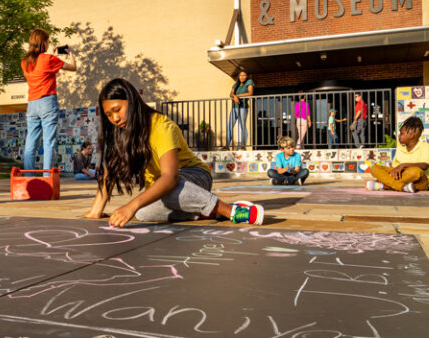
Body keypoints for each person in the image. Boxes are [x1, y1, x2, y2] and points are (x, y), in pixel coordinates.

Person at [84, 78, 263, 227]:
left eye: (117, 110)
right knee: (143, 213)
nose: (115, 118)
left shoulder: (161, 126)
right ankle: (206, 213)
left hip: (193, 178)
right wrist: (96, 210)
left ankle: (232, 210)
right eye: (109, 114)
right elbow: (110, 171)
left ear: (133, 101)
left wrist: (131, 205)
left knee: (152, 198)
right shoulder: (122, 133)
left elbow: (170, 178)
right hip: (167, 187)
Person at [21, 28, 76, 173]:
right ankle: (47, 177)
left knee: (31, 142)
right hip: (47, 102)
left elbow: (40, 66)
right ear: (44, 43)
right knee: (48, 141)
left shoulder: (24, 62)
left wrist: (50, 54)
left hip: (32, 104)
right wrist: (70, 54)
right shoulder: (49, 59)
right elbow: (73, 67)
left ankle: (28, 177)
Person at [366, 116, 429, 193]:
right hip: (403, 177)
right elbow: (394, 168)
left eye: (401, 133)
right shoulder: (401, 148)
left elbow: (425, 165)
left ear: (411, 135)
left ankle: (384, 185)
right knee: (374, 168)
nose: (399, 136)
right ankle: (402, 187)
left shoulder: (424, 146)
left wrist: (402, 165)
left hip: (420, 181)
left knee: (416, 171)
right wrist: (389, 173)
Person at [225, 71, 254, 149]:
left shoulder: (249, 82)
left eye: (244, 75)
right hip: (234, 107)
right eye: (240, 75)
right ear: (238, 76)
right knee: (229, 126)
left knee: (242, 126)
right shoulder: (236, 84)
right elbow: (231, 94)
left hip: (243, 107)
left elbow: (250, 93)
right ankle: (227, 145)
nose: (242, 77)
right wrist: (234, 96)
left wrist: (237, 96)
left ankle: (243, 146)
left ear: (247, 76)